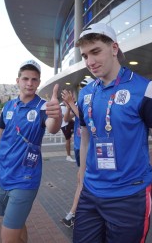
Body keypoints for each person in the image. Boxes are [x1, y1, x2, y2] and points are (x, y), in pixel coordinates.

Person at [73, 23, 152, 242]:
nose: (90, 62)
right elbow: (86, 139)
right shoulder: (85, 93)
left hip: (129, 196)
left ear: (114, 48)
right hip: (91, 193)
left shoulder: (145, 89)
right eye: (85, 55)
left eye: (96, 51)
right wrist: (81, 180)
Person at [0, 60, 62, 243]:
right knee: (18, 225)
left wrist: (56, 116)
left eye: (34, 80)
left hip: (25, 178)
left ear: (38, 82)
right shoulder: (8, 107)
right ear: (17, 81)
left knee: (8, 237)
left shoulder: (43, 107)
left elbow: (52, 127)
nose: (30, 83)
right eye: (25, 78)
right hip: (4, 175)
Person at [60, 78, 94, 228]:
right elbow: (67, 119)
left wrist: (72, 104)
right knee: (81, 179)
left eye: (85, 87)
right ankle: (81, 211)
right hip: (79, 147)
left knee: (81, 180)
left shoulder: (93, 102)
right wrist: (69, 106)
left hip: (89, 149)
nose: (82, 90)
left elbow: (86, 118)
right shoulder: (79, 104)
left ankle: (73, 213)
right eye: (81, 87)